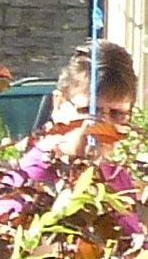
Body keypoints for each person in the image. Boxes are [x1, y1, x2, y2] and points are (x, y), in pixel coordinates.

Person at [22, 38, 139, 173]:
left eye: (117, 113)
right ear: (59, 104)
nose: (103, 125)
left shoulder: (118, 177)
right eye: (89, 111)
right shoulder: (29, 175)